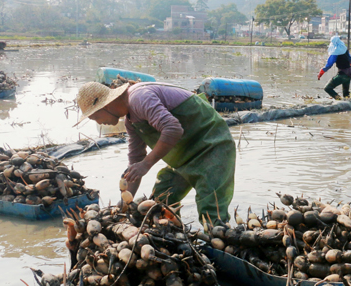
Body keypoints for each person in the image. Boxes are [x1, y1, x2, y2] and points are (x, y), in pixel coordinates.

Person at [75, 81, 236, 224]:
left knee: (211, 211)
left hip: (212, 147)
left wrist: (146, 164)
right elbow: (136, 161)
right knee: (160, 201)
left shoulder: (139, 98)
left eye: (96, 117)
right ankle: (174, 236)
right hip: (184, 158)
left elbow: (172, 129)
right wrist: (125, 202)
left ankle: (222, 248)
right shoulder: (131, 122)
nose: (99, 123)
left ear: (106, 105)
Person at [318, 34, 351, 99]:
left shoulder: (335, 52)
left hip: (343, 74)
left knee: (327, 88)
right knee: (346, 93)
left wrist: (321, 73)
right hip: (350, 73)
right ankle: (348, 103)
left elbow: (329, 65)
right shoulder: (344, 48)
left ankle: (339, 99)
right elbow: (350, 59)